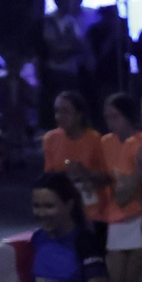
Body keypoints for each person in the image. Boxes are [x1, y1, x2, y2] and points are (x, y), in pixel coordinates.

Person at [97, 93, 142, 282]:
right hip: (116, 216)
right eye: (107, 117)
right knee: (116, 281)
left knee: (133, 280)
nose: (111, 122)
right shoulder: (106, 142)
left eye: (115, 116)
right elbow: (111, 178)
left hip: (139, 216)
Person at [42, 91, 107, 229]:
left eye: (65, 111)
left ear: (79, 115)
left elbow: (108, 177)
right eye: (57, 111)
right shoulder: (50, 139)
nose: (60, 117)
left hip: (93, 208)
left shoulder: (95, 139)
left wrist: (86, 173)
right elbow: (48, 176)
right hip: (63, 209)